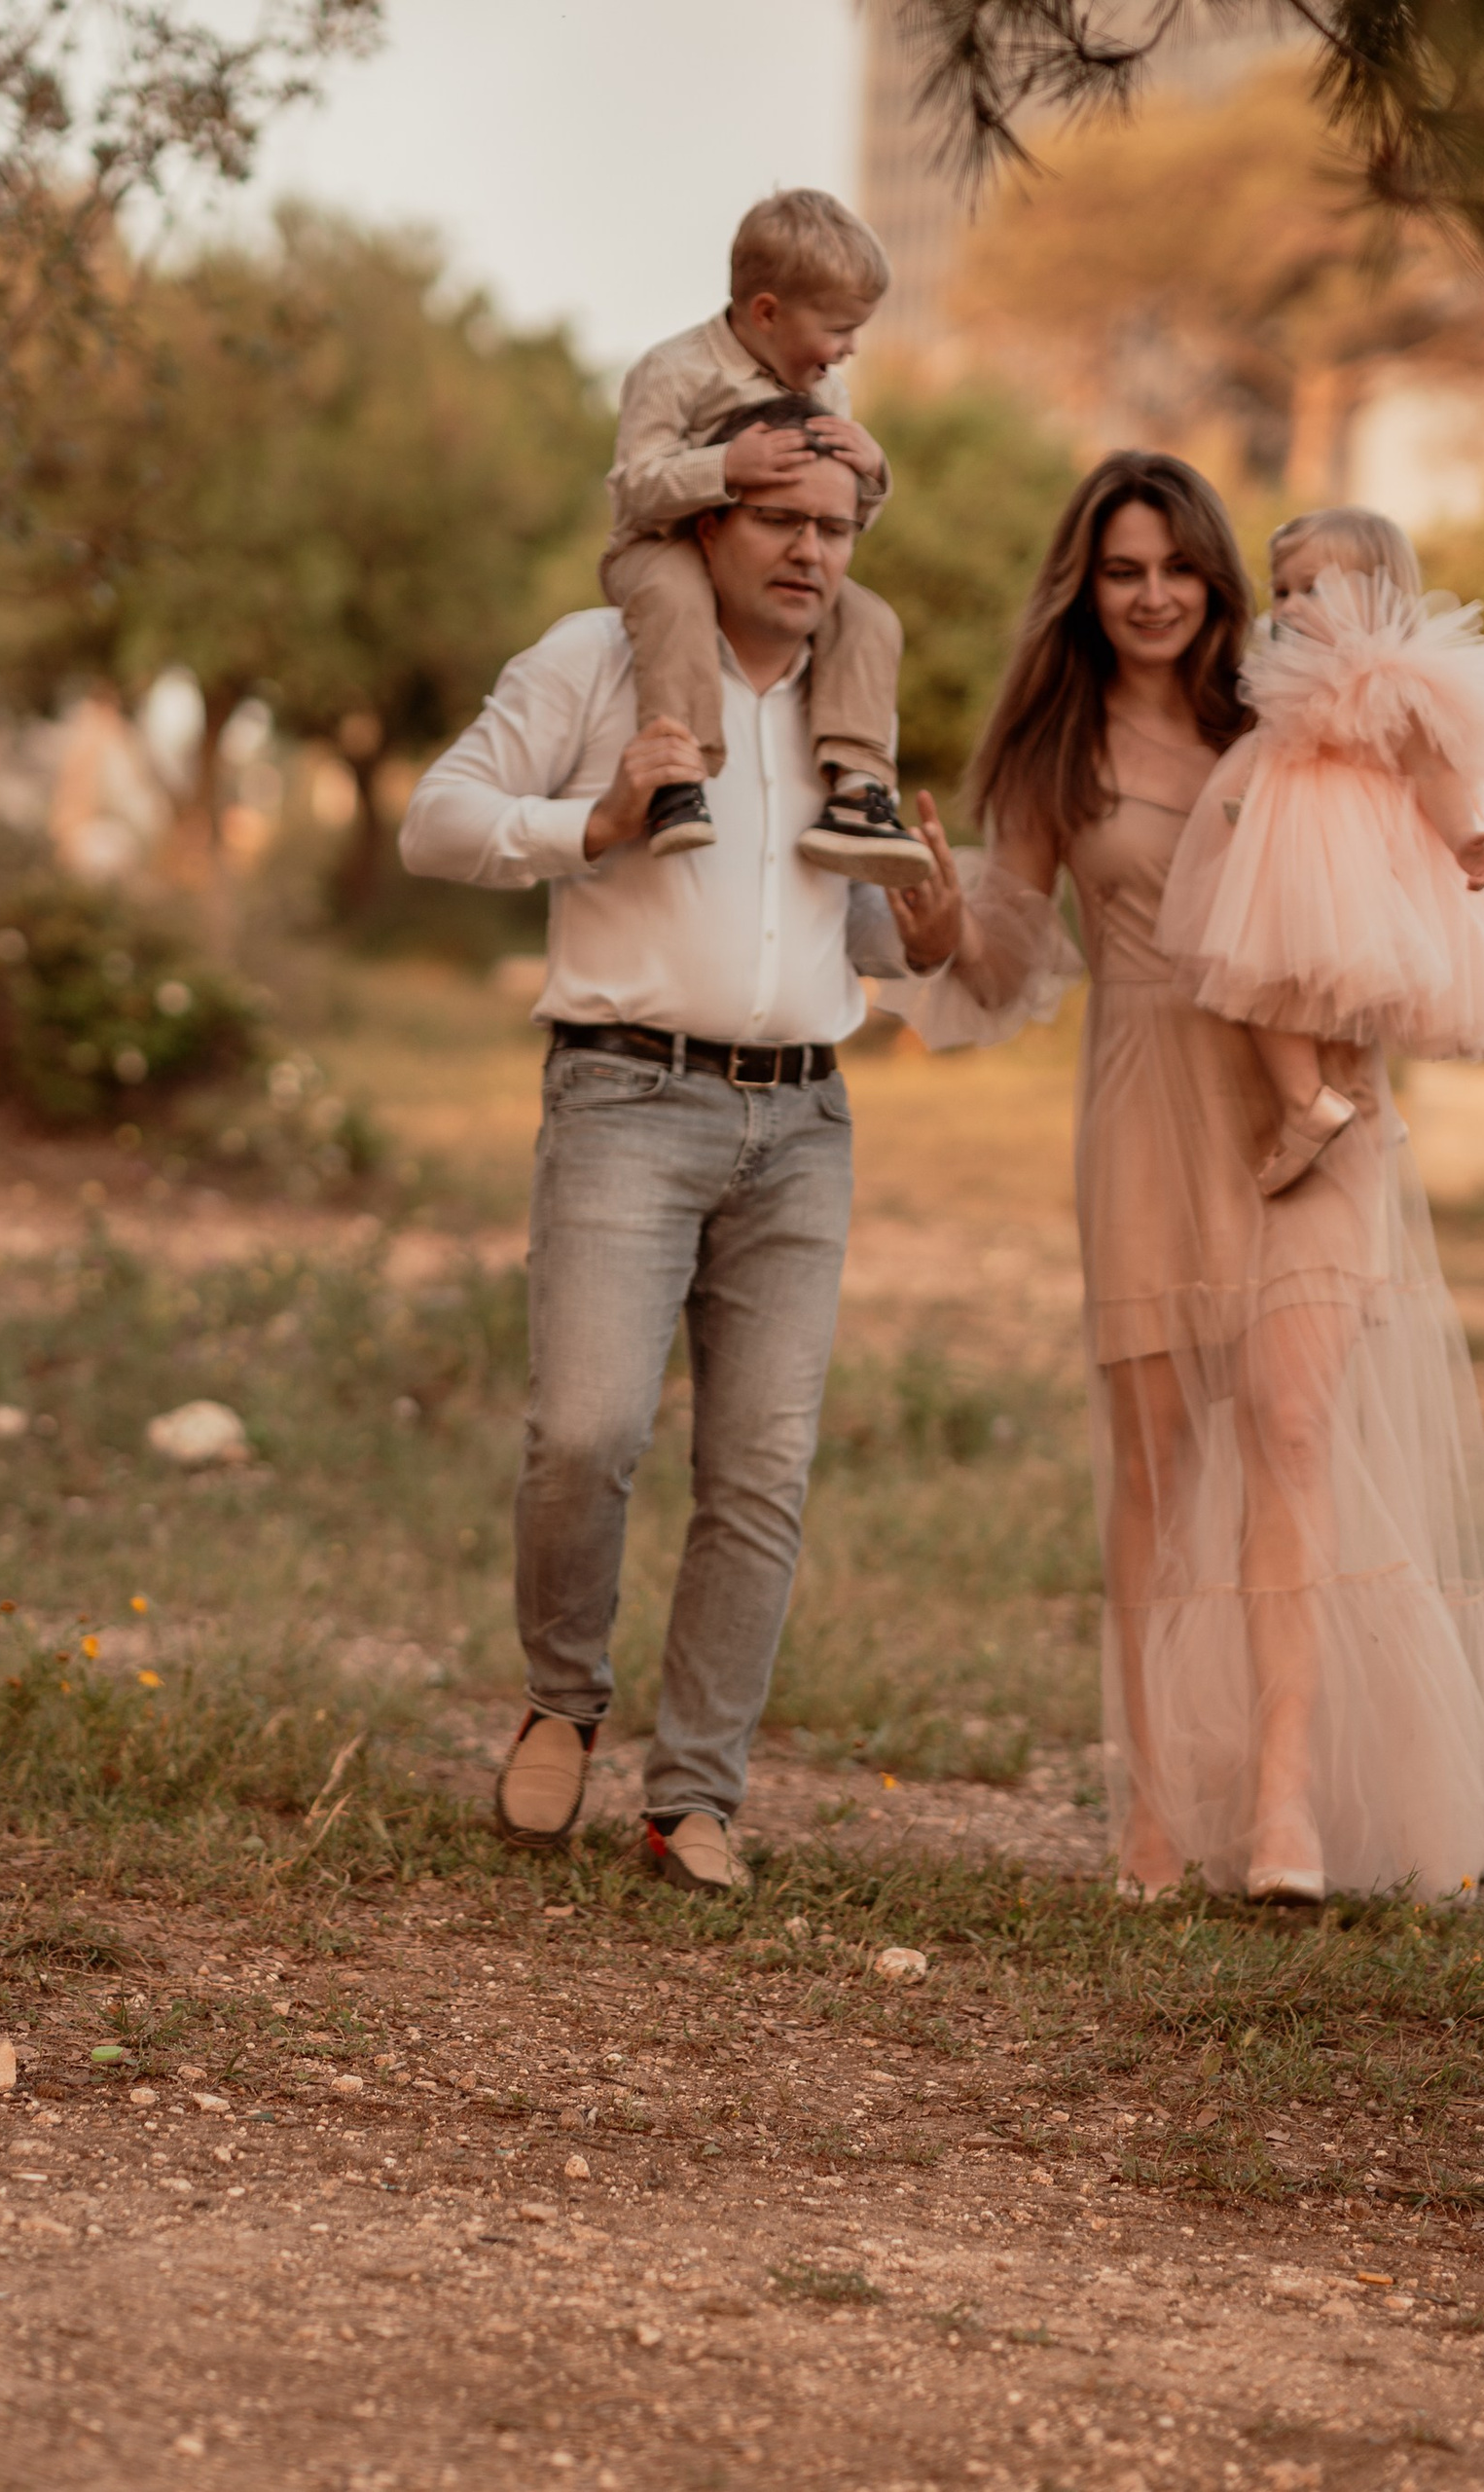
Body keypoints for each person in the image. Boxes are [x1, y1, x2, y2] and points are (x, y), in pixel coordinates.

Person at [880, 452, 1484, 1904]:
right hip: (1146, 1115)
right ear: (1086, 586)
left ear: (1220, 579)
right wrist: (931, 936)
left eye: (1177, 565)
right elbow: (1005, 954)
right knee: (1162, 1475)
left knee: (1295, 1430)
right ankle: (1160, 1810)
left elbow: (1409, 848)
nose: (1154, 593)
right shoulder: (1059, 753)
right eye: (1122, 568)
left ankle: (1289, 1810)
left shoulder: (1288, 709)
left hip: (1311, 1117)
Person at [399, 408, 996, 1893]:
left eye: (838, 528)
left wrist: (919, 938)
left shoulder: (850, 695)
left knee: (761, 1469)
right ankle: (562, 1700)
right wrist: (592, 821)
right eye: (783, 518)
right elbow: (435, 823)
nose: (811, 551)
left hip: (805, 1119)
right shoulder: (595, 659)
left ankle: (695, 1799)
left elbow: (839, 924)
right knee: (588, 1435)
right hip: (625, 1098)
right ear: (710, 523)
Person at [1156, 505, 1484, 1193]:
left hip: (1331, 855)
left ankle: (1312, 1104)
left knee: (1257, 976)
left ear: (1380, 593)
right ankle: (1320, 1103)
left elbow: (1433, 770)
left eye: (1314, 589)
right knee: (1260, 978)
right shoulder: (1286, 669)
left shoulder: (1390, 676)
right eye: (1283, 590)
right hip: (1288, 846)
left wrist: (1464, 839)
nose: (1291, 606)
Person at [599, 187, 932, 887]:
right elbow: (631, 488)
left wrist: (874, 473)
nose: (850, 349)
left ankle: (859, 789)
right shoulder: (673, 372)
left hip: (761, 563)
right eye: (839, 329)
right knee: (675, 592)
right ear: (768, 313)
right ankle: (678, 774)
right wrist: (725, 467)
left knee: (869, 616)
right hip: (659, 548)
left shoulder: (825, 393)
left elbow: (836, 511)